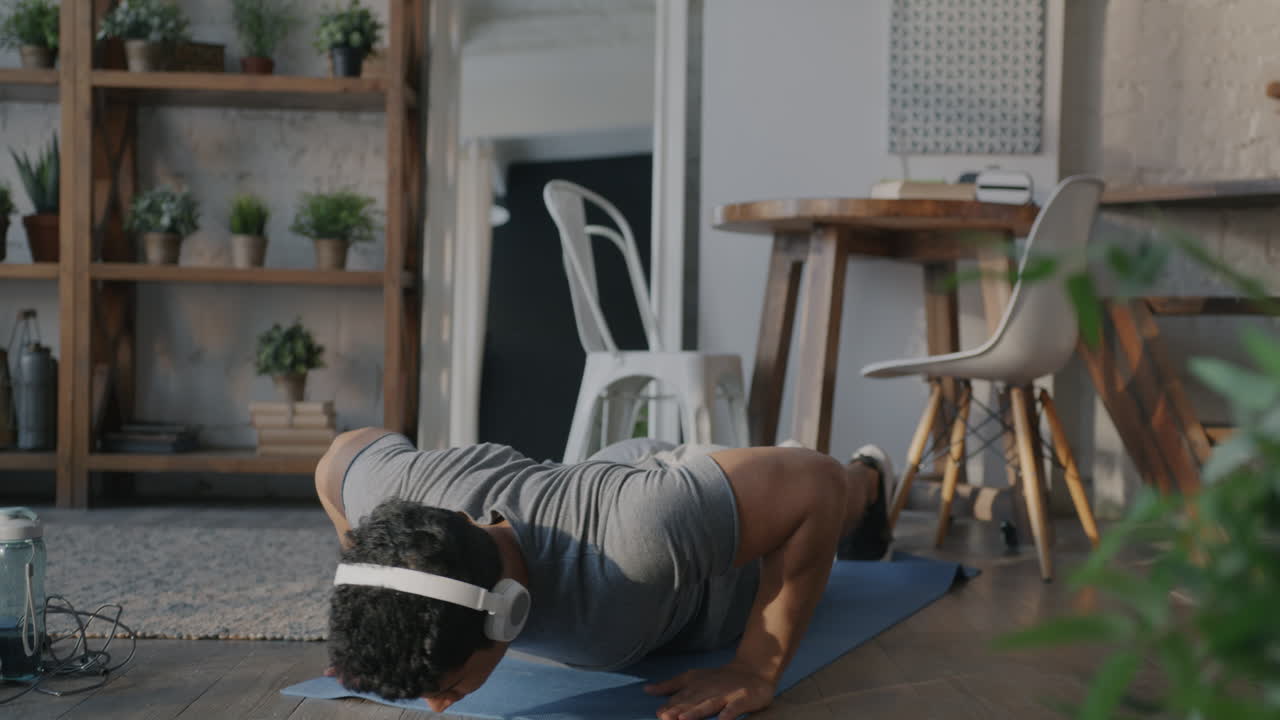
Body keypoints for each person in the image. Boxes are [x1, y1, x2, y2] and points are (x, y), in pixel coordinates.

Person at [315, 429, 898, 720]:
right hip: (614, 480)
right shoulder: (394, 494)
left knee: (832, 492)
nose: (439, 707)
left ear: (508, 609)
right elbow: (339, 456)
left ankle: (871, 474)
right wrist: (374, 581)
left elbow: (814, 483)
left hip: (710, 574)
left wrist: (756, 667)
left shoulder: (638, 542)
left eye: (444, 690)